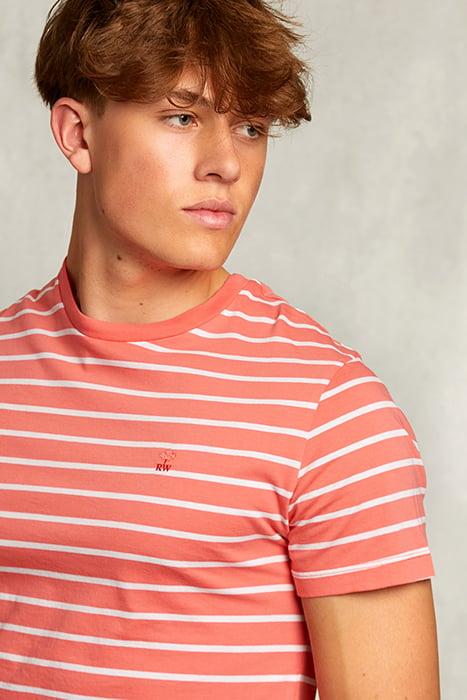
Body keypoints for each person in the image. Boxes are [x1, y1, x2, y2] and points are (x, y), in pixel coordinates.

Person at [0, 0, 440, 698]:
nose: (227, 163)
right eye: (183, 117)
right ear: (78, 134)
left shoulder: (333, 416)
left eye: (251, 127)